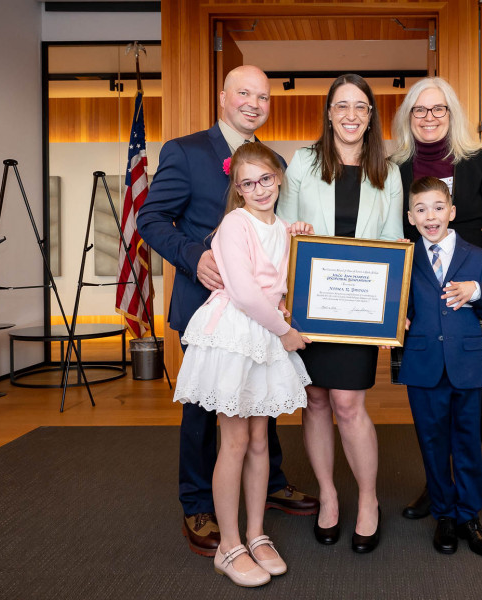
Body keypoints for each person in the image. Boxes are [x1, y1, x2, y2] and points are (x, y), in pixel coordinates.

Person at [136, 65, 318, 559]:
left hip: (262, 314)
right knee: (205, 412)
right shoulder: (187, 150)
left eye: (262, 96)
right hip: (209, 307)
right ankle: (198, 504)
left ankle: (271, 483)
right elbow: (150, 217)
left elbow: (276, 232)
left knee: (260, 401)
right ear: (223, 97)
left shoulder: (272, 161)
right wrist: (196, 257)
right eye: (244, 93)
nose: (254, 103)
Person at [390, 77, 482, 535]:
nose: (429, 118)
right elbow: (387, 231)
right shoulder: (396, 167)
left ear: (452, 114)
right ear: (409, 118)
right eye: (420, 110)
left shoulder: (478, 162)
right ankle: (440, 488)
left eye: (439, 109)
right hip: (420, 294)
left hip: (472, 288)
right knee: (431, 397)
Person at [173, 143, 313, 587]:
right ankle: (229, 544)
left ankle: (256, 533)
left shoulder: (282, 226)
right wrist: (286, 332)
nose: (259, 189)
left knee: (258, 439)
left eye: (266, 180)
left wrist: (301, 236)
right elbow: (248, 294)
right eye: (248, 183)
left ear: (278, 178)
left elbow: (284, 279)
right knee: (233, 441)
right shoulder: (234, 224)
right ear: (237, 188)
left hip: (264, 333)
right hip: (238, 333)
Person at [276, 74, 403, 553]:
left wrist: (394, 309)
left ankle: (367, 500)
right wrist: (294, 231)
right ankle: (329, 496)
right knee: (316, 401)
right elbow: (279, 228)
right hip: (309, 305)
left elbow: (393, 245)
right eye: (342, 106)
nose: (351, 115)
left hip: (362, 309)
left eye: (361, 107)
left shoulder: (387, 173)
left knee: (349, 404)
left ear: (371, 116)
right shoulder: (303, 163)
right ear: (328, 113)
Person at [399, 176, 482, 556]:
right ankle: (443, 514)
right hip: (424, 364)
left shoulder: (477, 256)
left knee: (467, 442)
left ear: (452, 212)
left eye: (438, 208)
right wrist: (393, 318)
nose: (430, 216)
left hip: (466, 364)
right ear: (410, 216)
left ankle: (468, 516)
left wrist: (476, 291)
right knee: (432, 442)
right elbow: (398, 305)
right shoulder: (405, 257)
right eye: (421, 209)